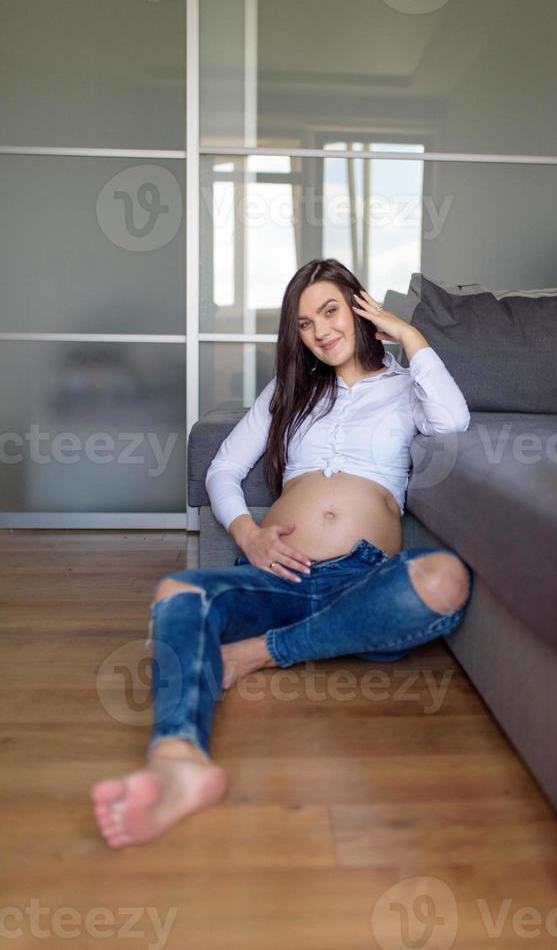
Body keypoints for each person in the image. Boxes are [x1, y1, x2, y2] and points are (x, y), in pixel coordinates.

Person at [90, 257, 474, 848]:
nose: (320, 331)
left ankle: (257, 654)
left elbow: (454, 421)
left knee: (444, 579)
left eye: (330, 311)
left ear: (360, 309)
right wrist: (247, 534)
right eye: (303, 323)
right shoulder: (290, 391)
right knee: (178, 591)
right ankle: (177, 763)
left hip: (362, 578)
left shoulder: (406, 387)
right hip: (277, 574)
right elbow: (224, 469)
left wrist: (412, 336)